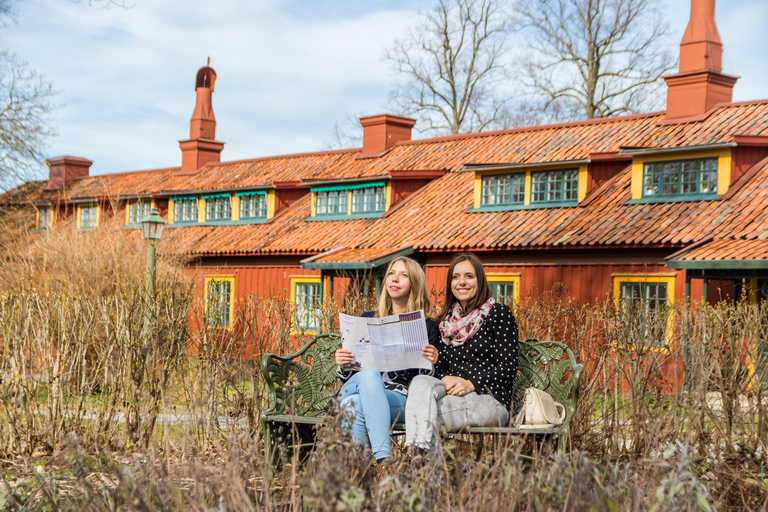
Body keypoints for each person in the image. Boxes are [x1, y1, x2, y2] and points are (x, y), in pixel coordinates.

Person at [404, 252, 518, 452]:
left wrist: (470, 383)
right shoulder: (446, 323)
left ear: (480, 280)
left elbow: (507, 368)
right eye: (456, 277)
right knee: (420, 383)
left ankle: (420, 468)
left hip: (489, 399)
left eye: (469, 276)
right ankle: (423, 468)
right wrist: (441, 371)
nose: (462, 282)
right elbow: (440, 370)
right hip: (450, 395)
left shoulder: (499, 314)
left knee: (422, 414)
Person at [333, 256, 440, 465]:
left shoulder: (427, 326)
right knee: (370, 375)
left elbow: (423, 382)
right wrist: (344, 362)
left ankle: (362, 477)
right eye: (391, 273)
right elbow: (351, 375)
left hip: (398, 398)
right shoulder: (367, 318)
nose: (395, 279)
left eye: (403, 275)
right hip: (362, 384)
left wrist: (431, 362)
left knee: (352, 404)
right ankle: (385, 463)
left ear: (414, 283)